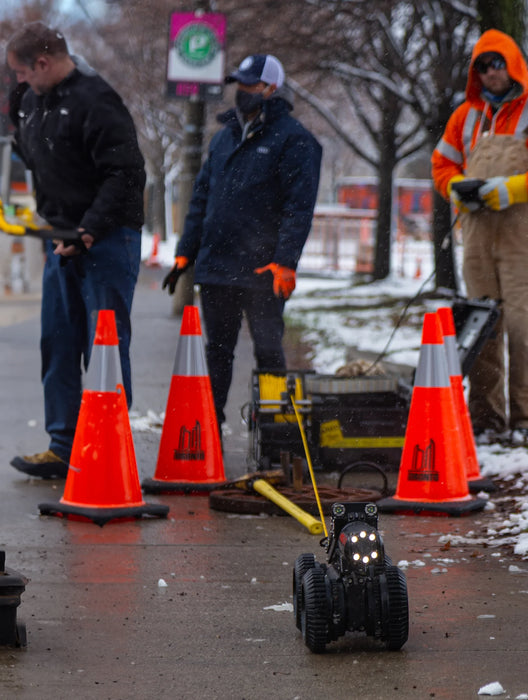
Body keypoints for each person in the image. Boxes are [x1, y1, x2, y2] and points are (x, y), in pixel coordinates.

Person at [6, 22, 146, 478]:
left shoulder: (96, 101)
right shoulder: (30, 102)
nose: (19, 81)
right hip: (60, 237)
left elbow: (125, 175)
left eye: (23, 72)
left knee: (103, 345)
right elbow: (35, 159)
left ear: (44, 63)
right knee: (59, 343)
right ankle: (63, 445)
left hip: (107, 239)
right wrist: (57, 222)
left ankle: (109, 446)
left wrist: (87, 229)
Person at [431, 29, 528, 445]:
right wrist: (456, 186)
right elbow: (441, 164)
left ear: (513, 65)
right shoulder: (466, 117)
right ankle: (486, 420)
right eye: (482, 65)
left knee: (527, 329)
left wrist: (512, 189)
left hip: (526, 241)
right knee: (480, 330)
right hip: (478, 239)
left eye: (497, 63)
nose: (490, 72)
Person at [163, 54, 322, 431]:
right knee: (217, 352)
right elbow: (202, 199)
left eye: (252, 85)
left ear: (271, 89)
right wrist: (186, 251)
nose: (243, 92)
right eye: (240, 84)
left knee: (268, 350)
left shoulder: (295, 141)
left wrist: (286, 260)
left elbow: (299, 208)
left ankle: (274, 430)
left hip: (263, 270)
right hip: (218, 266)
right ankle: (210, 428)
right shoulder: (223, 138)